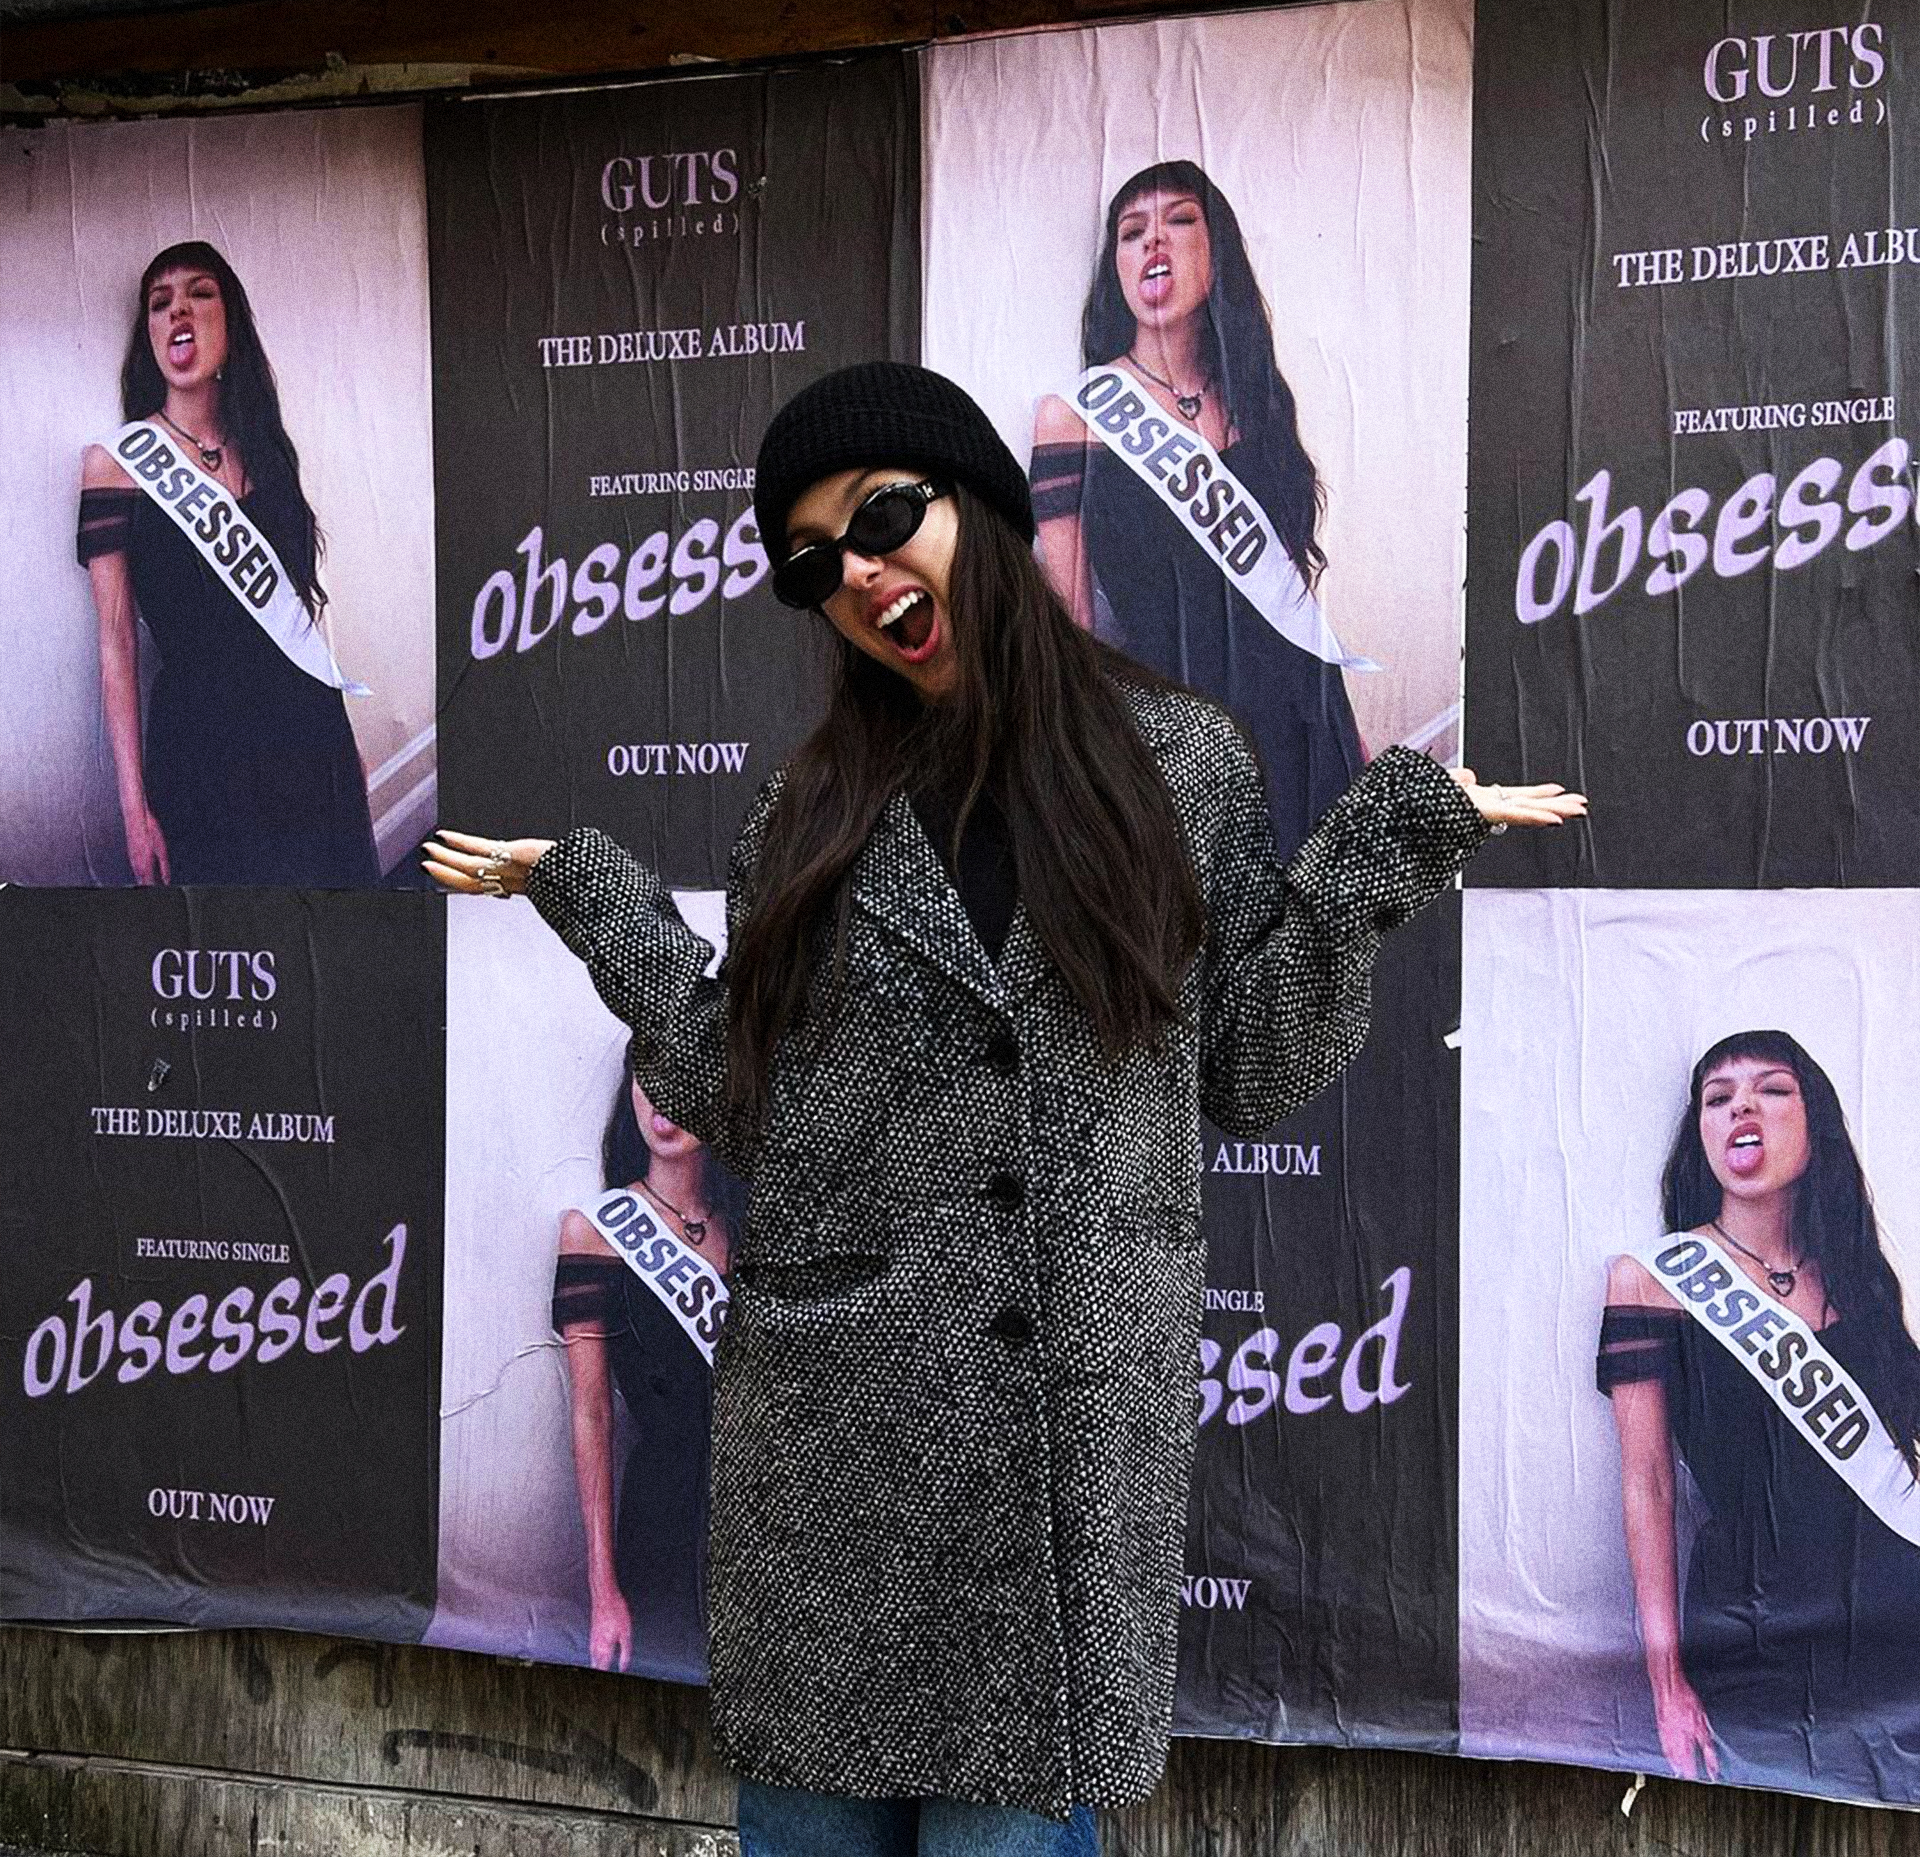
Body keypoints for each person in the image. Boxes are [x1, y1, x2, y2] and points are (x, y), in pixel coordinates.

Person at [426, 362, 1583, 1855]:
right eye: (814, 563)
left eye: (881, 518)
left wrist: (1381, 855)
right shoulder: (806, 811)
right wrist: (598, 904)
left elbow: (1251, 1063)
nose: (859, 573)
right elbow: (741, 1099)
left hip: (1055, 1475)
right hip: (832, 1471)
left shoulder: (1176, 765)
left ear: (975, 502)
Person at [1599, 1031, 1920, 1796]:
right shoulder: (1652, 1280)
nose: (1742, 1106)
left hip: (1898, 1627)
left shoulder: (1857, 1275)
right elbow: (1648, 1485)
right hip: (1751, 1637)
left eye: (1772, 1088)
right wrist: (1666, 1682)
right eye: (1718, 1099)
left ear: (1816, 1124)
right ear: (1702, 1134)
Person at [1031, 160, 1362, 852]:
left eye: (1180, 221)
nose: (1154, 241)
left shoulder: (1255, 400)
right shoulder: (1076, 416)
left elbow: (1289, 588)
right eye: (1131, 232)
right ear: (1116, 268)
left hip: (1300, 721)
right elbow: (1071, 623)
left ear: (1219, 254)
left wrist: (1348, 738)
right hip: (1178, 741)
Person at [76, 240, 377, 888]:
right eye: (160, 303)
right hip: (203, 753)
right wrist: (134, 809)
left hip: (308, 737)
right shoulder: (116, 467)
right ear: (149, 335)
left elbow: (298, 610)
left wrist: (346, 743)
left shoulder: (265, 449)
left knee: (331, 929)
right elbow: (116, 642)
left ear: (230, 320)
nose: (177, 311)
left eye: (199, 293)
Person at [554, 1067, 738, 1681]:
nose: (663, 1100)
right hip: (661, 1520)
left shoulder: (751, 1228)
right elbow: (591, 1414)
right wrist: (602, 1588)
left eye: (687, 1077)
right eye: (650, 1076)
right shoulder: (595, 1233)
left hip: (759, 1513)